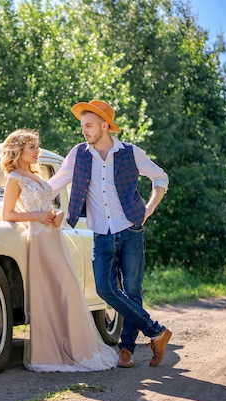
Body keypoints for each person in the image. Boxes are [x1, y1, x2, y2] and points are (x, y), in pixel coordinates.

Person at [49, 100, 172, 368]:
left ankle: (126, 350)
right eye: (82, 126)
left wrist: (149, 209)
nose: (84, 131)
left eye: (89, 125)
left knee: (133, 290)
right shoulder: (78, 154)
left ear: (105, 126)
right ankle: (157, 332)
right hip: (101, 233)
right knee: (106, 288)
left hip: (131, 229)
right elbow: (54, 184)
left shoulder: (130, 152)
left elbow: (160, 177)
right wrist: (26, 198)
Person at [0, 128, 118, 372]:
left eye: (36, 146)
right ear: (18, 150)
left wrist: (58, 212)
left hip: (54, 236)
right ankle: (50, 353)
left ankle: (77, 349)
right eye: (32, 147)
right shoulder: (14, 178)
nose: (37, 151)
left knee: (68, 290)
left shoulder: (37, 175)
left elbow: (48, 202)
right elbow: (8, 214)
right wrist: (39, 216)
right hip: (40, 239)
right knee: (52, 293)